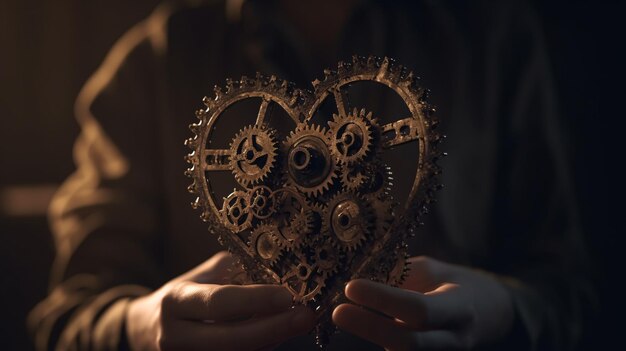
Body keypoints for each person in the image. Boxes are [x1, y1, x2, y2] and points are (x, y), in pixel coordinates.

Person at [29, 0, 593, 350]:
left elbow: (571, 293)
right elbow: (69, 316)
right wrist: (140, 325)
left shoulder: (495, 40)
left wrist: (501, 310)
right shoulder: (150, 67)